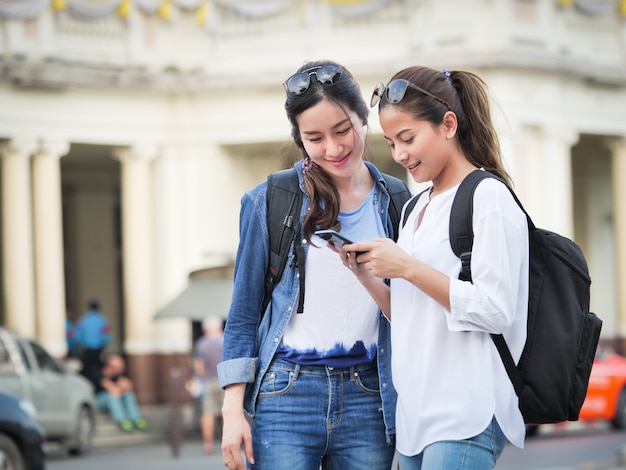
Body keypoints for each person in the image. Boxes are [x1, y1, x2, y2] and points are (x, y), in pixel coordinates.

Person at [217, 60, 411, 470]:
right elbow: (243, 315)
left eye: (343, 130)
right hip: (285, 395)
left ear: (364, 118)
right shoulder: (268, 201)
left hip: (369, 395)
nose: (334, 148)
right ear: (299, 140)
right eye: (314, 138)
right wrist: (233, 410)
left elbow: (409, 310)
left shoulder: (397, 200)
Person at [338, 66, 530, 469]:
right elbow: (411, 314)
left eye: (408, 138)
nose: (400, 154)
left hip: (466, 412)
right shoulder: (415, 207)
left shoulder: (487, 196)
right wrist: (367, 274)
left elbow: (495, 310)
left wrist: (407, 266)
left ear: (448, 124)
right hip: (416, 417)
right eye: (391, 143)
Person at [192, 315, 225, 454]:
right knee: (227, 413)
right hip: (225, 381)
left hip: (208, 381)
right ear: (220, 327)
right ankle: (227, 442)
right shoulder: (225, 340)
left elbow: (199, 367)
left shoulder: (201, 344)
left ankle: (208, 444)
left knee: (208, 413)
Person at [94, 353, 147, 432]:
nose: (121, 370)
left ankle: (136, 419)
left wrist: (123, 387)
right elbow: (113, 389)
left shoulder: (118, 375)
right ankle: (122, 420)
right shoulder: (99, 373)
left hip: (114, 399)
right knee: (113, 395)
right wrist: (121, 387)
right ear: (111, 367)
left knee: (128, 394)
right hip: (98, 401)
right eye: (119, 367)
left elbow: (129, 386)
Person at [74, 300, 112, 389]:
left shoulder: (83, 320)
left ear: (88, 309)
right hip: (99, 350)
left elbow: (78, 336)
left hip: (87, 350)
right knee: (100, 371)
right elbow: (107, 336)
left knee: (86, 371)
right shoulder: (103, 320)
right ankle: (99, 388)